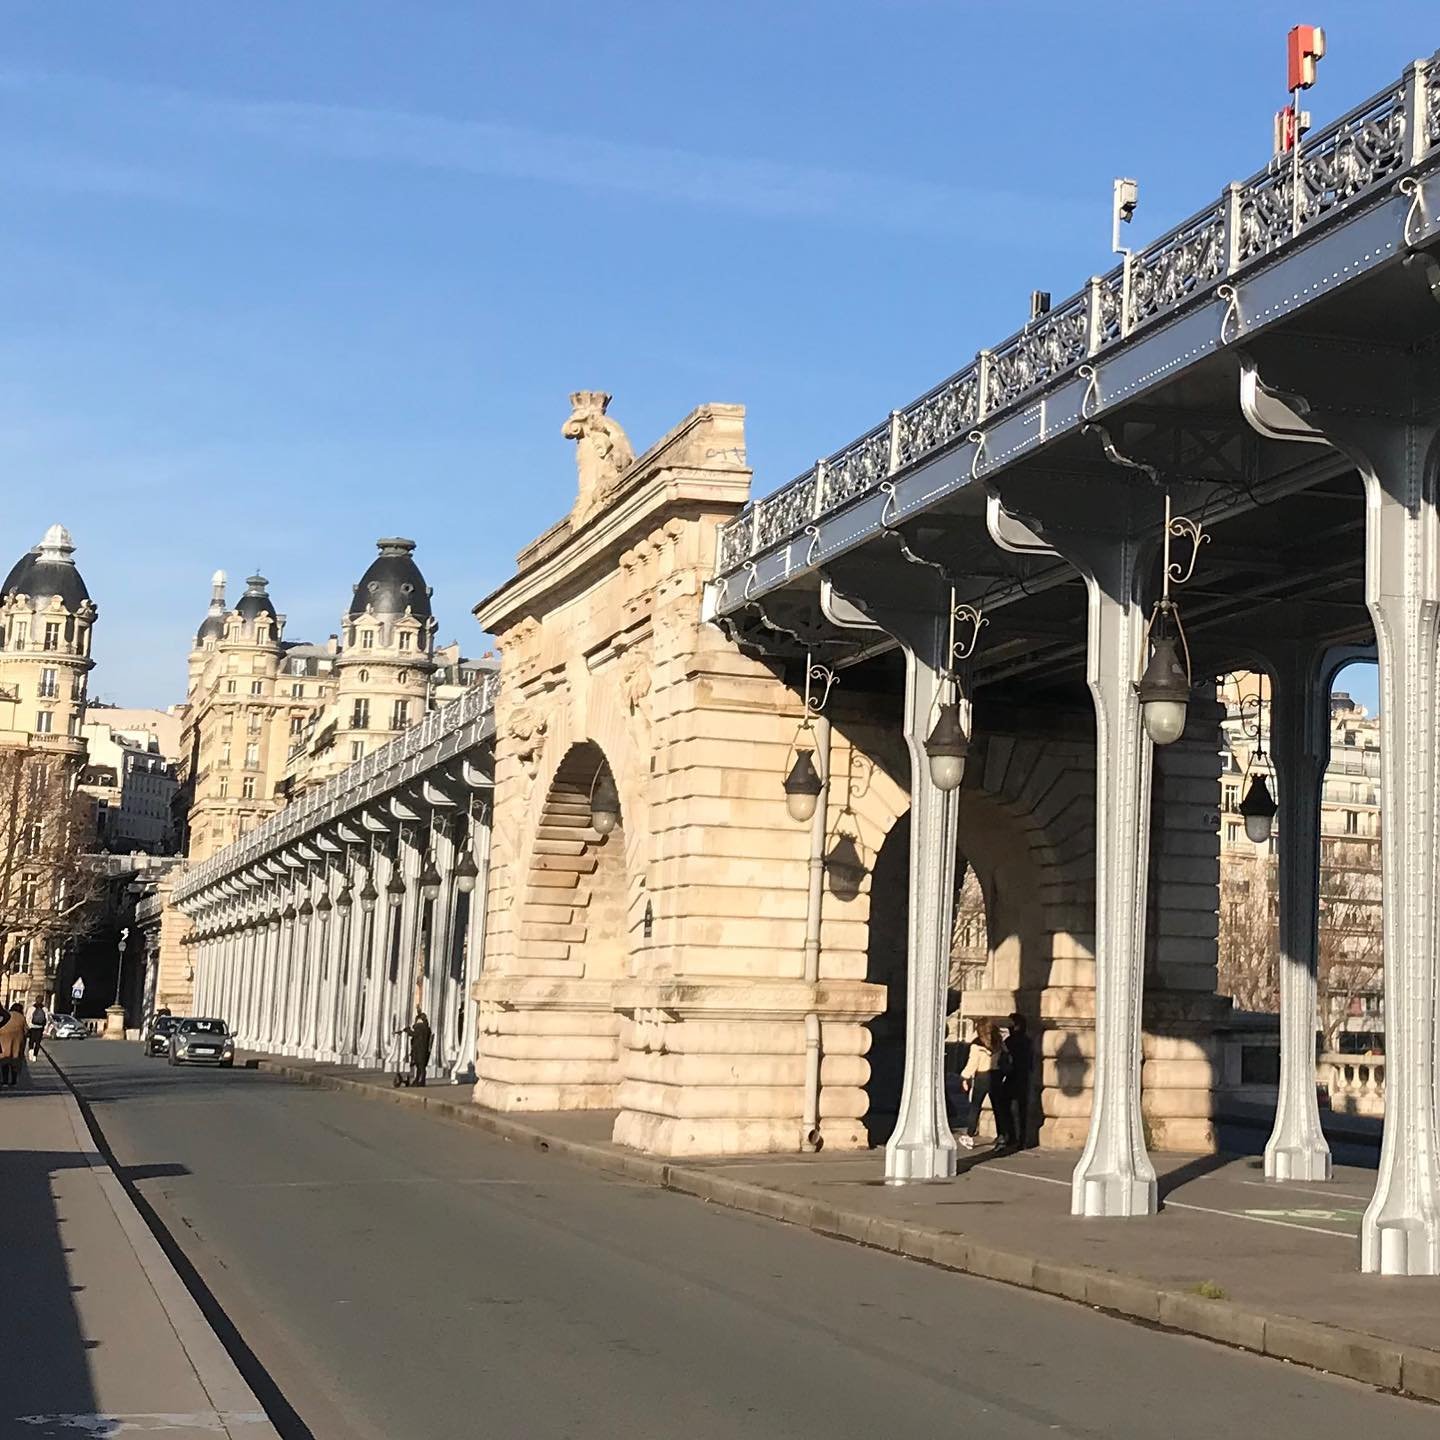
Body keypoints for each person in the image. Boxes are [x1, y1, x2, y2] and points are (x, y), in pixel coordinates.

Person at [958, 1018, 1012, 1150]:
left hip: (982, 1077)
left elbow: (972, 1064)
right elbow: (1007, 1057)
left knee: (975, 1106)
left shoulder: (976, 1045)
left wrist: (964, 1077)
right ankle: (1002, 1137)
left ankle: (970, 1136)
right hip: (996, 1076)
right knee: (998, 1108)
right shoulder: (999, 1042)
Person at [1004, 1012, 1035, 1150]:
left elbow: (1004, 1059)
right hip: (1024, 1077)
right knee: (1022, 1109)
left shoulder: (1009, 1041)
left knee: (1008, 1108)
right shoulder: (1027, 1041)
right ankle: (1022, 1139)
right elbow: (1030, 1061)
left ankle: (1011, 1136)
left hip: (1011, 1076)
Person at [0, 1003, 28, 1088]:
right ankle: (13, 1081)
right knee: (15, 1061)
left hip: (3, 1040)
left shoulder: (7, 1014)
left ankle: (4, 1081)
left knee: (4, 1061)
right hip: (17, 1043)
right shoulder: (22, 1018)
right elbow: (26, 1031)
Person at [407, 1009, 433, 1088]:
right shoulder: (426, 1028)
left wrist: (408, 1030)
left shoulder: (420, 1027)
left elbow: (414, 1034)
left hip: (419, 1049)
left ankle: (421, 1081)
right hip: (423, 1049)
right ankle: (419, 1080)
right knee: (420, 1066)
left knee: (420, 1066)